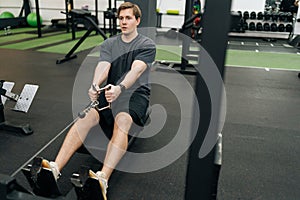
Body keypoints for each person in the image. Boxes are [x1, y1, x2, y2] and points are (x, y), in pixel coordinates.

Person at [41, 2, 156, 199]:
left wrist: (120, 88)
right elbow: (103, 66)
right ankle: (55, 167)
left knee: (122, 121)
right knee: (85, 118)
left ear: (137, 21)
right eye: (121, 18)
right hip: (110, 91)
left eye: (128, 18)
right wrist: (95, 84)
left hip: (134, 94)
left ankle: (102, 178)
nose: (124, 22)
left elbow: (136, 70)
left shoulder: (146, 45)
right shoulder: (110, 43)